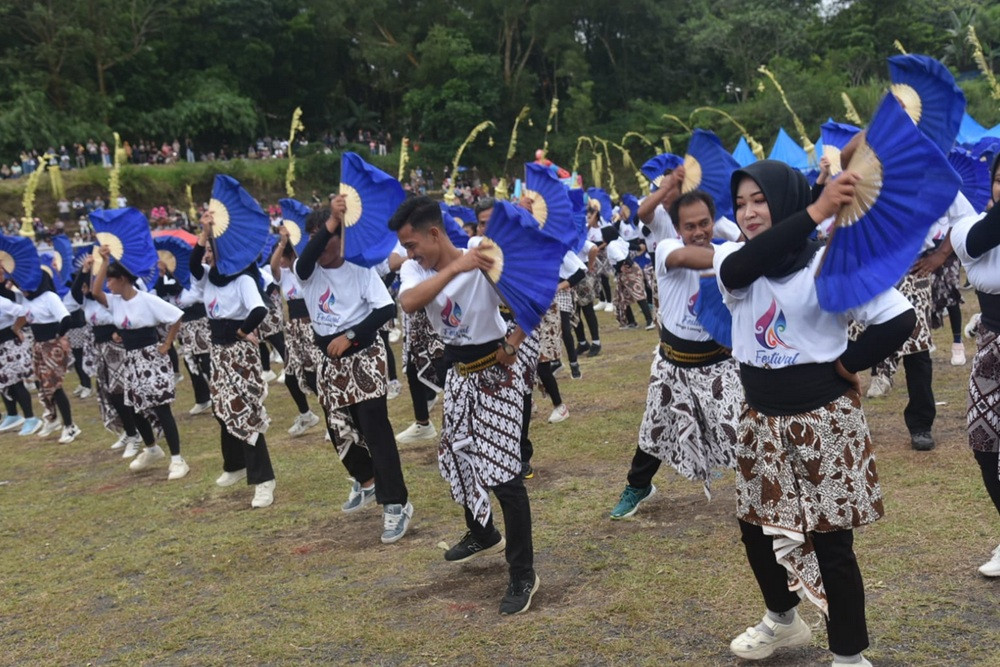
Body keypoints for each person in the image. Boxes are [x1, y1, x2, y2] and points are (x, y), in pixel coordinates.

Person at [715, 161, 915, 666]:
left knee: (831, 543)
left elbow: (898, 318)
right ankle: (783, 620)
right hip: (759, 418)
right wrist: (817, 209)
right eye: (740, 203)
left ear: (781, 199)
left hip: (822, 421)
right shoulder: (734, 262)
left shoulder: (830, 263)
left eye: (759, 199)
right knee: (756, 529)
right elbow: (742, 269)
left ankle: (849, 654)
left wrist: (847, 364)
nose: (748, 212)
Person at [391, 195, 539, 615]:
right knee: (457, 458)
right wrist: (455, 266)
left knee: (506, 476)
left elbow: (533, 298)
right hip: (458, 376)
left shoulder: (484, 258)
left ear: (434, 234)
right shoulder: (421, 270)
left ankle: (522, 572)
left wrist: (512, 343)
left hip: (497, 374)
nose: (409, 253)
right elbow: (409, 303)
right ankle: (481, 531)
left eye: (413, 244)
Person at [610, 191, 742, 519]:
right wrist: (745, 256)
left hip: (717, 365)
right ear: (678, 228)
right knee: (653, 429)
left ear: (714, 222)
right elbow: (688, 258)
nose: (698, 231)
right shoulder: (669, 248)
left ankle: (764, 487)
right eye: (690, 226)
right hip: (673, 363)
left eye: (705, 223)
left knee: (738, 429)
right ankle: (639, 485)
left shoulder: (730, 250)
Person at [295, 197, 413, 544]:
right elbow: (305, 259)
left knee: (375, 427)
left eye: (327, 236)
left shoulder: (360, 268)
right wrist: (329, 222)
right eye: (314, 238)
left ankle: (396, 504)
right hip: (330, 362)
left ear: (341, 236)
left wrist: (350, 336)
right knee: (339, 429)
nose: (320, 246)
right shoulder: (308, 271)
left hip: (363, 354)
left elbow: (384, 309)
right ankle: (366, 481)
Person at [865, 193, 978, 451]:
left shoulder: (930, 176)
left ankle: (920, 425)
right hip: (873, 266)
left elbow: (964, 215)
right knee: (856, 340)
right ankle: (854, 417)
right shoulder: (866, 171)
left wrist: (941, 254)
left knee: (917, 345)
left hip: (913, 267)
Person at [191, 214, 276, 508]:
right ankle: (234, 465)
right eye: (207, 250)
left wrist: (241, 331)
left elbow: (259, 310)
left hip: (240, 354)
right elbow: (192, 265)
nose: (206, 255)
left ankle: (264, 480)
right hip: (218, 352)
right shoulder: (208, 279)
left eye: (212, 250)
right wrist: (204, 231)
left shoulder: (242, 280)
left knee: (246, 412)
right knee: (220, 409)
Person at [92, 248, 188, 479]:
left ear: (123, 279)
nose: (108, 285)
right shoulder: (115, 302)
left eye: (111, 280)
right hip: (131, 358)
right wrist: (104, 262)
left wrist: (167, 344)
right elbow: (96, 292)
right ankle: (152, 448)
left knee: (161, 408)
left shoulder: (147, 300)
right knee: (133, 407)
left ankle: (177, 459)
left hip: (151, 358)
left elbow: (176, 317)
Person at [951, 153, 1000, 577]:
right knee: (984, 445)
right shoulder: (968, 229)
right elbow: (982, 237)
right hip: (992, 352)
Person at [269, 226, 321, 437]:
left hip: (311, 328)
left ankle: (335, 415)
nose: (279, 259)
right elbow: (273, 267)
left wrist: (294, 243)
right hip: (294, 330)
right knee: (291, 377)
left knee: (315, 375)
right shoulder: (284, 276)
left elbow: (302, 261)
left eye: (283, 254)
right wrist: (281, 243)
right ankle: (306, 415)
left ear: (291, 254)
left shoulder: (304, 271)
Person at [22, 269, 81, 443]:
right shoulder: (26, 298)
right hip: (38, 345)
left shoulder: (49, 297)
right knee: (42, 384)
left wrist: (58, 336)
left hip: (52, 345)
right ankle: (53, 419)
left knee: (55, 386)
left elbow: (66, 319)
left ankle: (70, 427)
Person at [0, 279, 39, 435]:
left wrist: (16, 328)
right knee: (3, 382)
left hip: (9, 344)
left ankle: (31, 418)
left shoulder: (2, 302)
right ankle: (12, 414)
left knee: (16, 382)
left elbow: (23, 312)